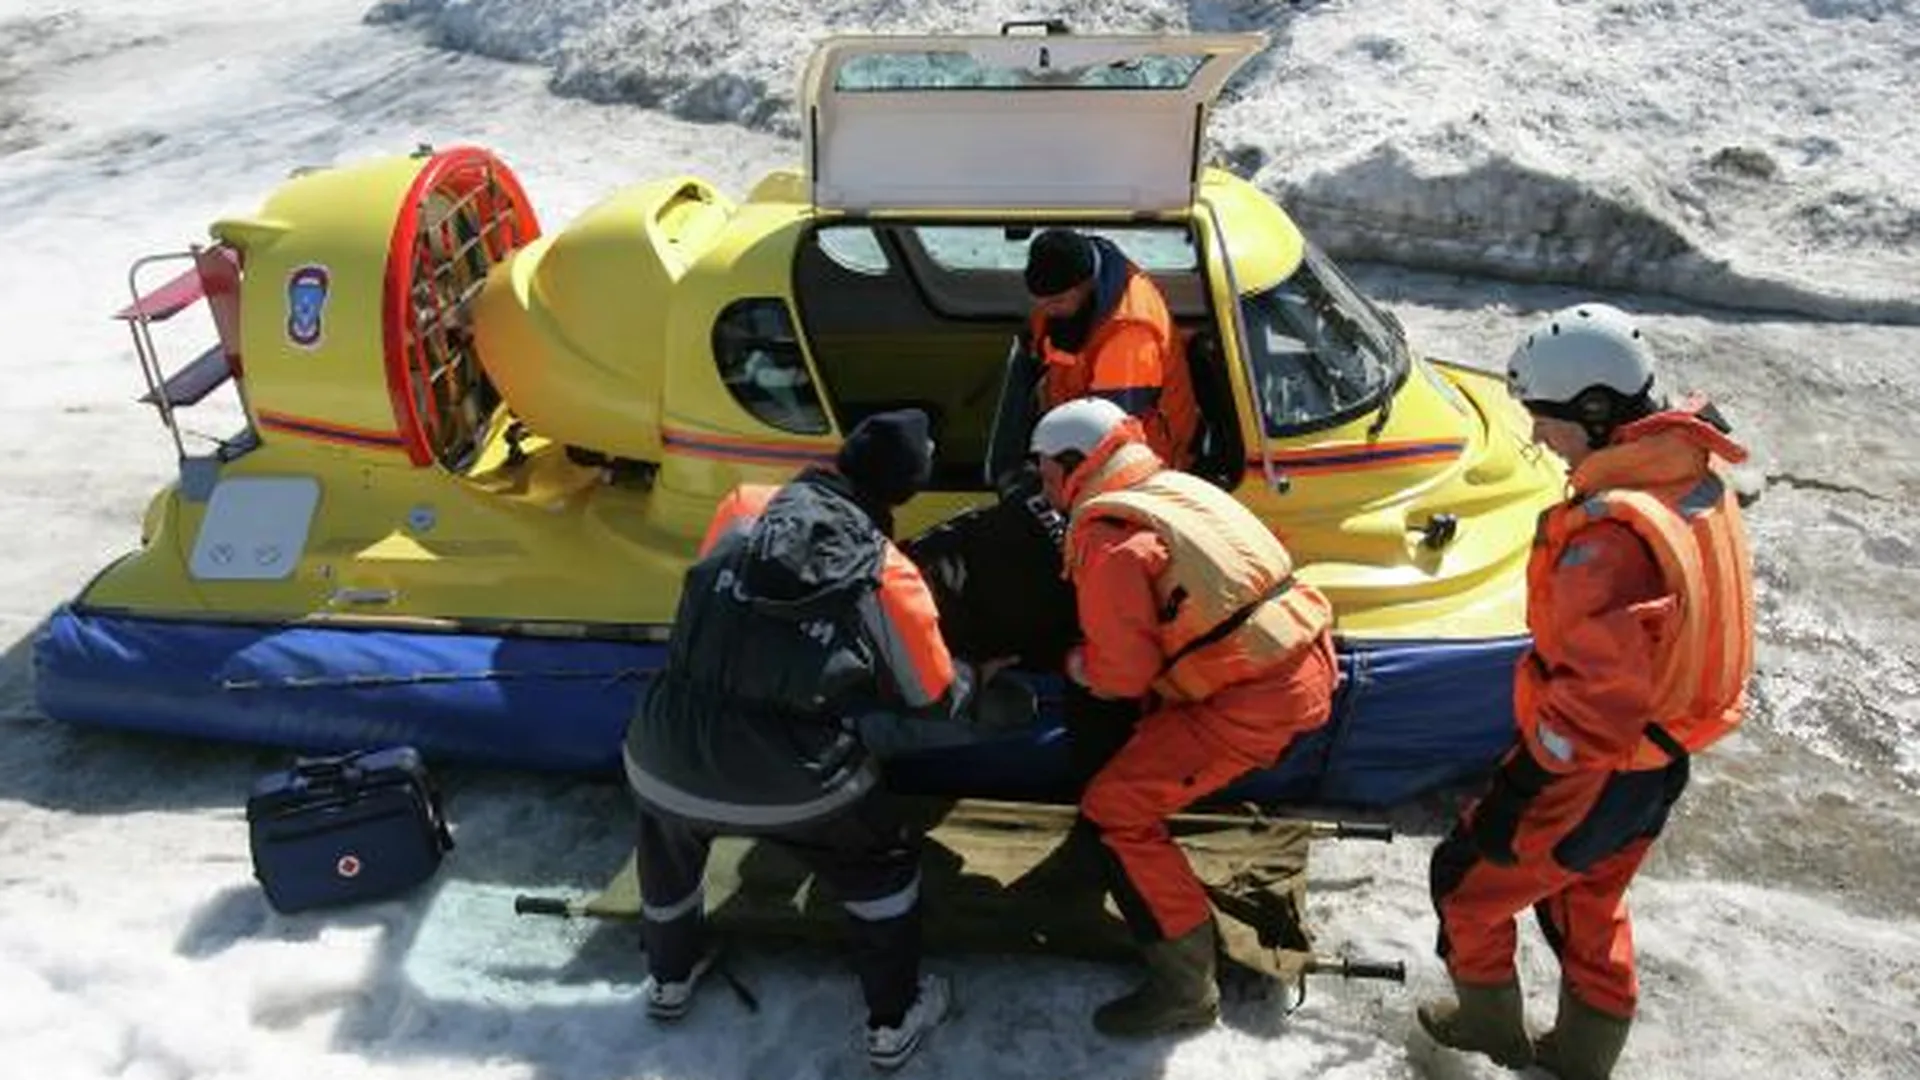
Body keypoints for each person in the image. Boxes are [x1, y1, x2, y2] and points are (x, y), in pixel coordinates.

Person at [1418, 303, 1755, 1080]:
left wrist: (1524, 786)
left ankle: (1489, 1032)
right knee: (1588, 899)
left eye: (1546, 420)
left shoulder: (1608, 539)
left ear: (1597, 414)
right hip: (1658, 762)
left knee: (1467, 885)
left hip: (1595, 770)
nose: (1537, 437)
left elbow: (1593, 707)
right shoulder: (1688, 480)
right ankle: (1580, 1059)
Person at [622, 408, 1012, 1071]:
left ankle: (669, 977)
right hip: (795, 782)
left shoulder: (744, 505)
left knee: (667, 845)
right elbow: (932, 694)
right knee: (878, 859)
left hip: (660, 753)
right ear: (904, 490)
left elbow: (722, 605)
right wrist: (986, 683)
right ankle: (893, 1018)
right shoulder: (887, 571)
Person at [1028, 396, 1339, 1036]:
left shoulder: (1106, 535)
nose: (1041, 486)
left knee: (1117, 810)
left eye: (1043, 471)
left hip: (1254, 698)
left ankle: (1183, 988)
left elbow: (1121, 676)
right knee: (1145, 758)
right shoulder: (1171, 487)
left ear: (1071, 465)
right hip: (1298, 660)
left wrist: (1074, 666)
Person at [1023, 228, 1200, 469]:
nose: (1046, 311)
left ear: (1086, 286)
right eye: (1039, 302)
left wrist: (1056, 474)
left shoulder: (1128, 334)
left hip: (1140, 463)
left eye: (1056, 302)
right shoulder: (1072, 290)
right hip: (1076, 431)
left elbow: (1111, 431)